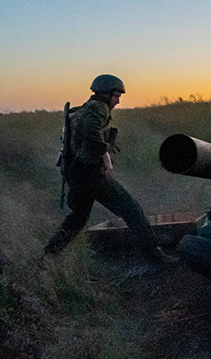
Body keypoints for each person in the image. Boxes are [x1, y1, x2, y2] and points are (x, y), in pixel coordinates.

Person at [45, 74, 170, 267]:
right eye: (116, 95)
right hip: (91, 174)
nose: (118, 101)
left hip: (76, 174)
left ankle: (47, 257)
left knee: (77, 219)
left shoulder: (82, 109)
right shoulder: (99, 108)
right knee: (132, 210)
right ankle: (156, 259)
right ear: (106, 94)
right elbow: (92, 132)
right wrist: (103, 150)